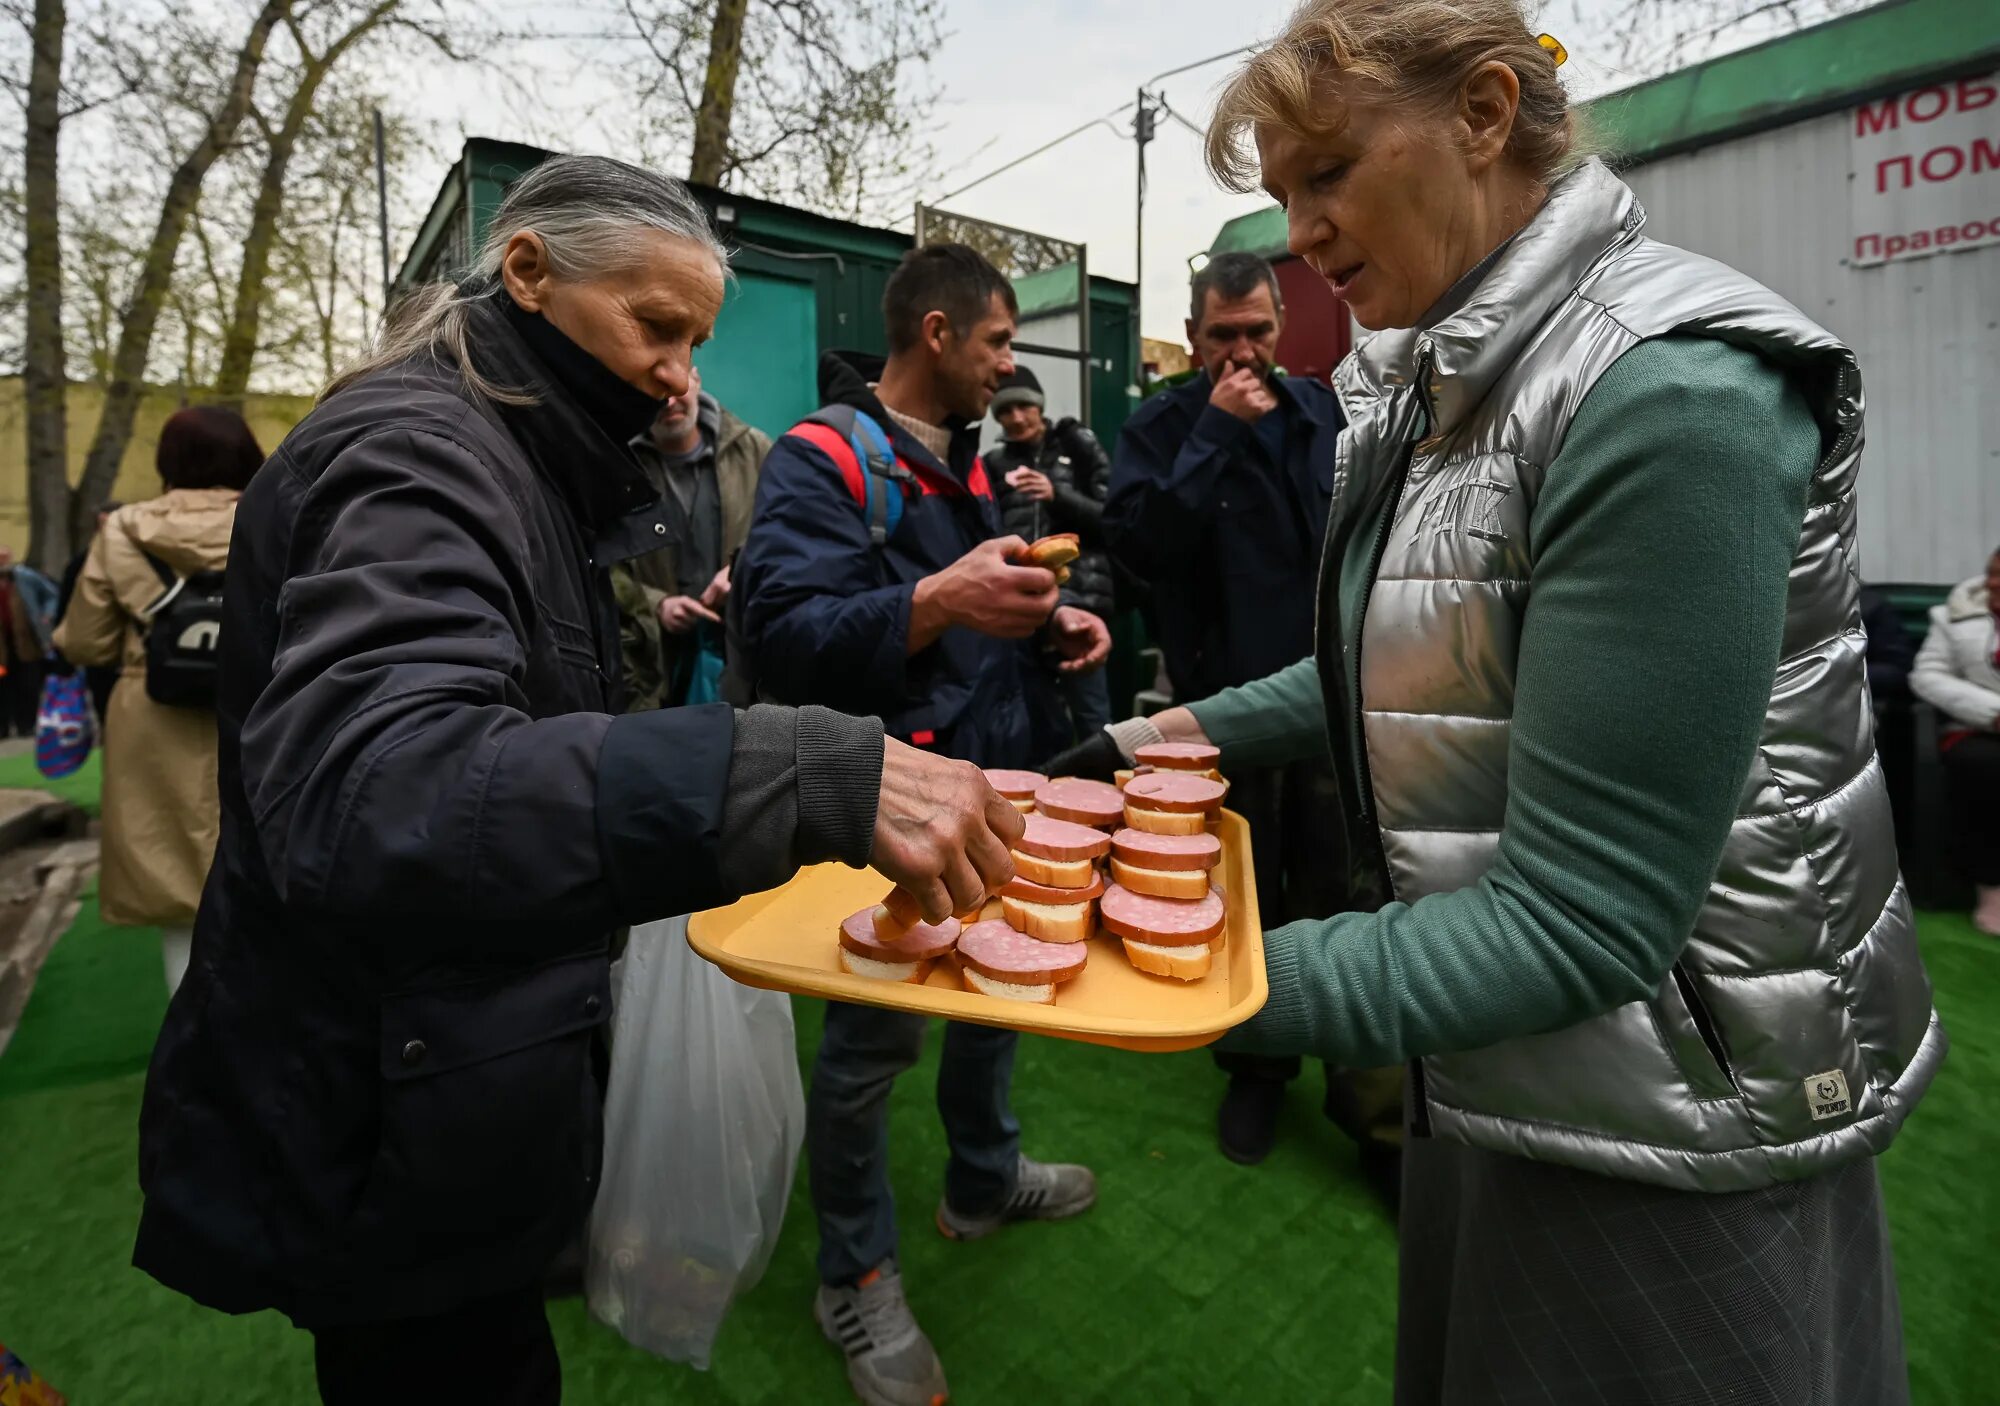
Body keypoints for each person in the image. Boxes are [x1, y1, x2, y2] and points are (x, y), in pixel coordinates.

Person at [1113, 3, 1942, 1401]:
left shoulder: (1668, 389)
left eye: (1326, 174)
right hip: (1496, 1059)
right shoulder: (1452, 376)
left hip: (1682, 1117)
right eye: (1281, 197)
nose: (1300, 234)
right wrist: (1147, 738)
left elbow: (1587, 920)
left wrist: (1172, 973)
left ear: (1487, 112)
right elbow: (1404, 675)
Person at [127, 157, 1023, 1406]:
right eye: (655, 328)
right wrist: (804, 766)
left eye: (695, 340)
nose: (677, 376)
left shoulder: (512, 448)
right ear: (528, 271)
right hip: (382, 1093)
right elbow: (389, 789)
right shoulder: (417, 452)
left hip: (439, 1071)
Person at [735, 242, 1110, 1406]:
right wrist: (938, 596)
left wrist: (1054, 634)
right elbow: (784, 635)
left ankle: (983, 1178)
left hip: (995, 773)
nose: (1010, 368)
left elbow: (969, 621)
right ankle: (851, 1266)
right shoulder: (821, 454)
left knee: (999, 988)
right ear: (937, 334)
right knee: (867, 1050)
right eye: (998, 342)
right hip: (883, 805)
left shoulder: (976, 465)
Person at [1098, 252, 1399, 1179]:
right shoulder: (1161, 426)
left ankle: (1375, 1110)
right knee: (1242, 899)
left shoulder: (1325, 415)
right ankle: (1258, 1067)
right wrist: (1215, 437)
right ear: (1192, 338)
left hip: (1335, 705)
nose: (1242, 353)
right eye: (1223, 336)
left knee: (1353, 897)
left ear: (1280, 327)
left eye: (1257, 333)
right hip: (1217, 718)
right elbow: (1141, 550)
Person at [51, 410, 258, 993]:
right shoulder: (283, 510)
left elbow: (85, 641)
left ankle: (195, 1057)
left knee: (177, 892)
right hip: (264, 710)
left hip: (153, 717)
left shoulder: (122, 531)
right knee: (273, 869)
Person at [612, 363, 770, 711]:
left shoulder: (753, 451)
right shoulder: (618, 468)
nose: (669, 404)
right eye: (654, 392)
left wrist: (739, 570)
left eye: (678, 388)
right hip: (657, 666)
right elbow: (605, 565)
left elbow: (784, 535)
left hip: (746, 657)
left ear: (696, 380)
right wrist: (657, 604)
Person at [982, 365, 1115, 754]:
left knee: (1094, 720)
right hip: (1021, 608)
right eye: (1005, 411)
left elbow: (1112, 521)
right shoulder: (994, 463)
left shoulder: (1077, 446)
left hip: (1081, 602)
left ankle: (1105, 804)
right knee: (1035, 722)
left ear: (1040, 407)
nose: (1016, 417)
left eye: (1023, 406)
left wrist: (1057, 494)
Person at [1910, 547, 2000, 934]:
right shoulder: (1955, 615)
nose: (1992, 583)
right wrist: (1993, 712)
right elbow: (1927, 676)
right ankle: (1992, 888)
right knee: (1986, 768)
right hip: (1976, 728)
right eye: (1990, 573)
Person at [56, 500, 126, 726]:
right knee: (105, 711)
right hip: (101, 651)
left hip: (132, 652)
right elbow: (67, 605)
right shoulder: (83, 560)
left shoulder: (141, 558)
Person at [0, 548, 44, 737]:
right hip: (1, 649)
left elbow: (50, 594)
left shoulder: (25, 578)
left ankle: (26, 724)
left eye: (4, 558)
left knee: (27, 684)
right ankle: (2, 727)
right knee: (2, 685)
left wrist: (46, 615)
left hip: (25, 643)